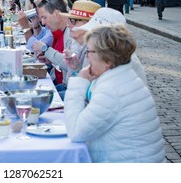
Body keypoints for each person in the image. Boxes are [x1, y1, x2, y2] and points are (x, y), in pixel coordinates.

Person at [64, 25, 165, 163]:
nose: (86, 56)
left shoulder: (111, 90)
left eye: (89, 51)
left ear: (108, 60)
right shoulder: (124, 77)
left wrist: (78, 84)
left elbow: (76, 132)